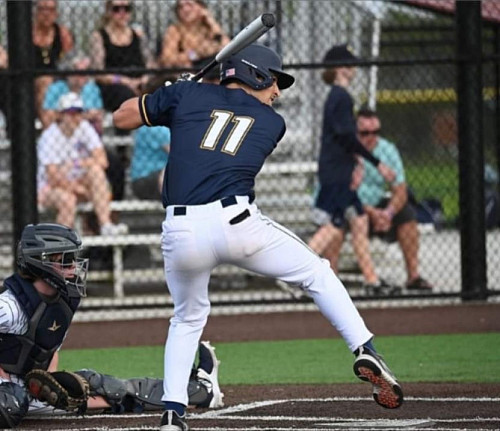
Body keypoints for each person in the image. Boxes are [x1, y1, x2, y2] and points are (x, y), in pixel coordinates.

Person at [113, 43, 404, 430]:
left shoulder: (186, 94)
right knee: (316, 272)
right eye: (274, 81)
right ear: (254, 75)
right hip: (237, 224)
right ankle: (366, 350)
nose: (277, 92)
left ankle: (172, 414)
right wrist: (182, 95)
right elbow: (219, 115)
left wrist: (168, 93)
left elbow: (121, 118)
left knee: (186, 318)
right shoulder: (271, 123)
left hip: (181, 231)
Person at [0, 223, 224, 428]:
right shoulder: (9, 305)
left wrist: (50, 384)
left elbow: (48, 349)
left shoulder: (60, 303)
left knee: (109, 389)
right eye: (66, 261)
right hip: (8, 390)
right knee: (10, 403)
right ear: (41, 261)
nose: (74, 267)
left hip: (25, 391)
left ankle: (201, 391)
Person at [307, 44, 396, 292]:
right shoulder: (340, 96)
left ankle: (371, 280)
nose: (353, 68)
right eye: (348, 64)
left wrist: (357, 161)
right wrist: (376, 163)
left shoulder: (339, 96)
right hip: (336, 171)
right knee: (333, 225)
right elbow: (347, 137)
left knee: (358, 220)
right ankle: (294, 273)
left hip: (339, 167)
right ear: (338, 69)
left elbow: (343, 138)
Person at [324, 108, 433, 291]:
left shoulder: (387, 150)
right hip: (345, 205)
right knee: (337, 220)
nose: (371, 137)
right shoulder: (342, 149)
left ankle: (413, 276)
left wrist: (388, 213)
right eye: (365, 133)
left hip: (376, 207)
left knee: (407, 215)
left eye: (376, 132)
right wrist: (371, 212)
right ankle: (331, 281)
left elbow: (400, 190)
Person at [37, 92, 128, 236]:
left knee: (96, 172)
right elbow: (52, 176)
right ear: (60, 115)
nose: (75, 117)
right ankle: (60, 248)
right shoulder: (50, 136)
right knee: (68, 200)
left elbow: (102, 160)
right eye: (70, 113)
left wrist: (77, 163)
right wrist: (78, 189)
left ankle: (106, 225)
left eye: (78, 112)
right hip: (50, 188)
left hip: (78, 181)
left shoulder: (84, 128)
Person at [42, 53, 126, 201]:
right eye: (78, 72)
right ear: (69, 73)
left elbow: (98, 115)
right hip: (61, 143)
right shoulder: (56, 88)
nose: (83, 77)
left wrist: (67, 115)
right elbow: (47, 118)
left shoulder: (91, 88)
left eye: (85, 73)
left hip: (88, 143)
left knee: (115, 165)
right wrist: (84, 116)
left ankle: (112, 215)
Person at [90, 0, 156, 114]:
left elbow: (150, 63)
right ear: (108, 11)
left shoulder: (138, 34)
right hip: (115, 84)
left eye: (126, 9)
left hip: (140, 80)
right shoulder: (99, 36)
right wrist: (124, 81)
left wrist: (144, 79)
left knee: (162, 87)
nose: (122, 13)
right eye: (117, 9)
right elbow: (99, 73)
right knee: (126, 95)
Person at [32, 0, 74, 126]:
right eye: (42, 9)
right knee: (44, 82)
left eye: (51, 10)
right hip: (32, 79)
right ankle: (49, 130)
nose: (46, 14)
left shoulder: (62, 33)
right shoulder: (27, 32)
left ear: (56, 13)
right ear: (36, 11)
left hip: (58, 77)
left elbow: (70, 59)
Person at [159, 0, 230, 70]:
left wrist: (211, 20)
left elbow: (228, 46)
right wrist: (195, 54)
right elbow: (167, 60)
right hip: (190, 70)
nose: (185, 9)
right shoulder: (175, 30)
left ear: (201, 7)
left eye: (190, 4)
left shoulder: (208, 28)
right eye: (180, 7)